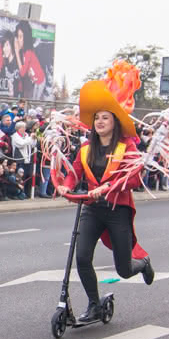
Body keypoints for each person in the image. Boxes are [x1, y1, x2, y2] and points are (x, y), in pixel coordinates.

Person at [61, 66, 155, 321]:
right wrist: (65, 185)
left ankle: (143, 264)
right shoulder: (85, 148)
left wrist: (108, 187)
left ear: (115, 122)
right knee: (81, 257)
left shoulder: (128, 149)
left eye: (105, 117)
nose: (100, 122)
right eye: (97, 118)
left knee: (124, 269)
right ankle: (94, 304)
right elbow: (74, 171)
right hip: (92, 208)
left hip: (117, 211)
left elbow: (133, 178)